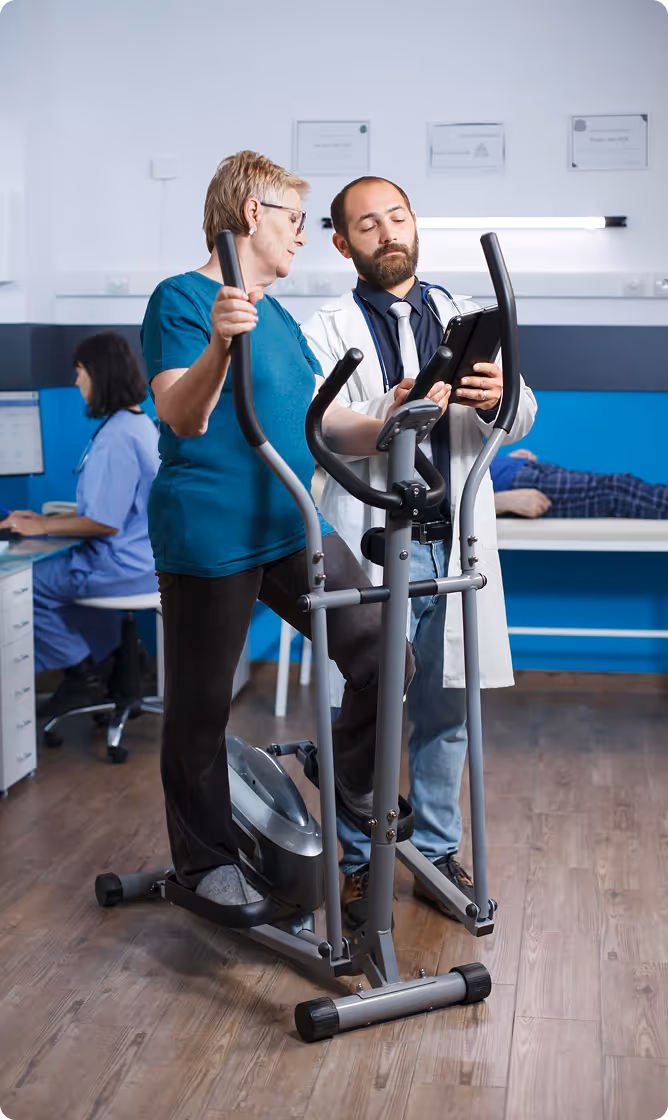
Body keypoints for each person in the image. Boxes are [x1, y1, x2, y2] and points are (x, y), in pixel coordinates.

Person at [140, 151, 415, 907]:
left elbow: (322, 423)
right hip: (211, 533)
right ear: (252, 215)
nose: (304, 233)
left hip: (291, 520)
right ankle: (204, 866)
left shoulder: (280, 314)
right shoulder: (182, 300)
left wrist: (387, 418)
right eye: (295, 219)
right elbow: (182, 414)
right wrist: (223, 343)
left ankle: (349, 775)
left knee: (386, 650)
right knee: (201, 707)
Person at [302, 176, 537, 929]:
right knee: (363, 710)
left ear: (415, 225)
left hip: (453, 541)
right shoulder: (322, 327)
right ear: (343, 243)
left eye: (397, 216)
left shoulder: (468, 314)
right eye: (367, 224)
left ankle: (435, 853)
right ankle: (357, 860)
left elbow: (525, 415)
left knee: (446, 711)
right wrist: (399, 402)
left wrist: (497, 394)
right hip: (374, 542)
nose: (387, 231)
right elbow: (324, 422)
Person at [0, 332, 160, 716]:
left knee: (20, 586)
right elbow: (110, 510)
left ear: (99, 374)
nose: (76, 382)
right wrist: (43, 520)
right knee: (49, 577)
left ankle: (82, 674)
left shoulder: (118, 437)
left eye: (80, 372)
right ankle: (116, 660)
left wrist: (41, 528)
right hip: (141, 561)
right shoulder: (135, 424)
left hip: (121, 565)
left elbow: (103, 523)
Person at [492, 448, 668, 518]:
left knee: (622, 487)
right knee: (617, 490)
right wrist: (497, 502)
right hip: (514, 486)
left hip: (516, 468)